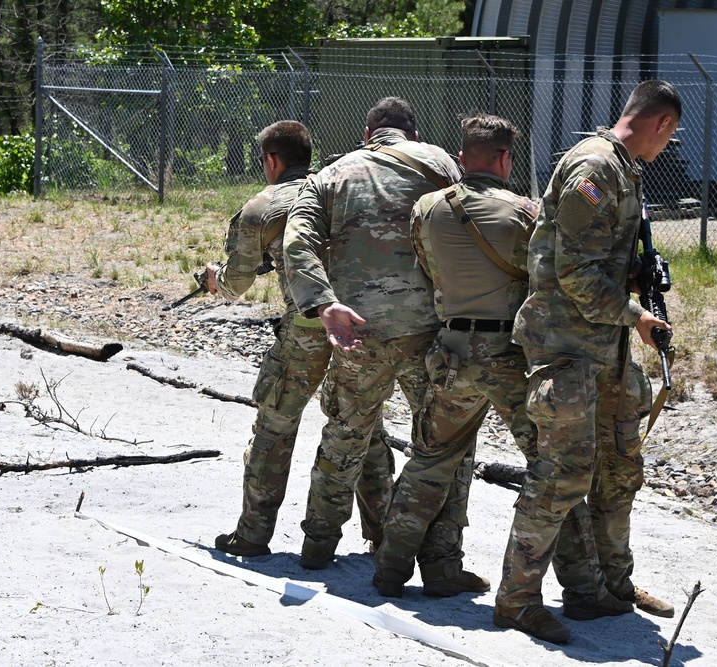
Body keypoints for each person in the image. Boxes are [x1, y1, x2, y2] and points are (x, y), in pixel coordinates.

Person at [494, 79, 681, 643]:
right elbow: (574, 274)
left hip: (607, 348)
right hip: (568, 346)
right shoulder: (595, 170)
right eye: (670, 138)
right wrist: (637, 316)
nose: (667, 147)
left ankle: (606, 586)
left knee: (619, 467)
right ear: (662, 125)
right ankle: (516, 599)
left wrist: (638, 288)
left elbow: (604, 258)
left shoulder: (625, 168)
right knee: (561, 477)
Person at [284, 98, 480, 590]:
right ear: (412, 135)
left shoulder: (332, 175)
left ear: (368, 131)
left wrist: (323, 301)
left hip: (358, 331)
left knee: (345, 435)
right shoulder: (441, 163)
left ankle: (317, 546)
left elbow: (297, 239)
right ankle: (440, 563)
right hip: (429, 330)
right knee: (443, 444)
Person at [209, 120, 393, 558]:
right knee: (362, 429)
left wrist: (213, 278)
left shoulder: (262, 208)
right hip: (357, 328)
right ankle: (385, 534)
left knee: (274, 426)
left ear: (272, 160)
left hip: (305, 330)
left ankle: (253, 534)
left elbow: (236, 284)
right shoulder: (338, 189)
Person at [372, 114, 538, 600]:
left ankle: (389, 569)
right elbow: (539, 280)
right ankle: (569, 582)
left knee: (429, 462)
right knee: (547, 465)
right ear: (506, 158)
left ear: (463, 157)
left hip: (451, 352)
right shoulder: (525, 213)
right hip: (506, 354)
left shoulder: (427, 208)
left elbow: (426, 268)